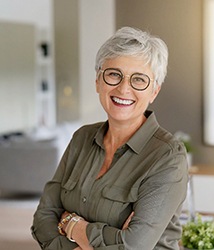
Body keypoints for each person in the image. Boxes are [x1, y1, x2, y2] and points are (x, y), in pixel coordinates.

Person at [31, 26, 188, 250]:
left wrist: (70, 224)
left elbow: (133, 246)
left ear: (154, 91)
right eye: (114, 74)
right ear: (98, 81)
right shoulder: (81, 138)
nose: (124, 89)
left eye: (139, 79)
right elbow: (43, 218)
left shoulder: (167, 156)